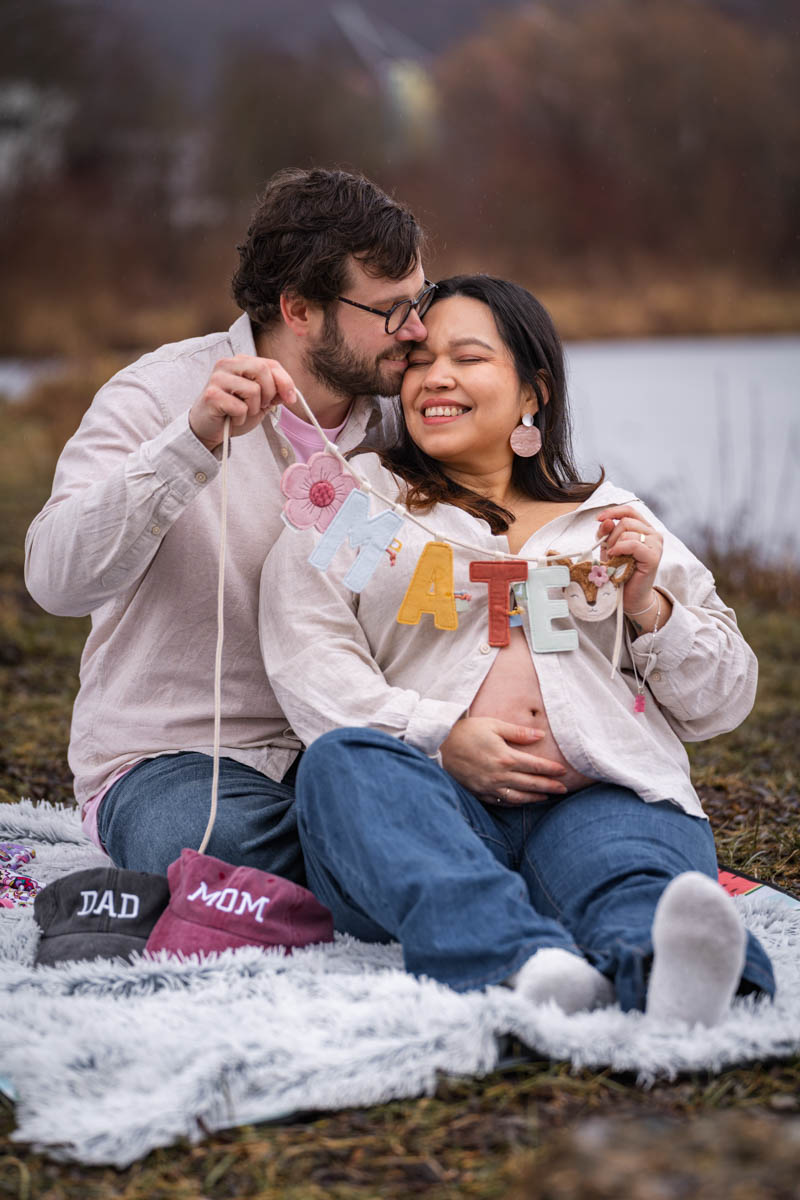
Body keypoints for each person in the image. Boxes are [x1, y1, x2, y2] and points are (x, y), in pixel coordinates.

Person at [259, 274, 775, 1023]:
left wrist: (649, 605)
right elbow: (313, 657)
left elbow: (722, 701)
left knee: (632, 878)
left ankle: (674, 973)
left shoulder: (605, 519)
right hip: (435, 810)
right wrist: (442, 740)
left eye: (467, 358)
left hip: (596, 794)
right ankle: (523, 962)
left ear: (532, 390)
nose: (435, 376)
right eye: (420, 359)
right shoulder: (369, 504)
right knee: (341, 765)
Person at [24, 166, 441, 880]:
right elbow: (56, 580)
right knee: (218, 850)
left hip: (352, 742)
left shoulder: (411, 426)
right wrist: (188, 445)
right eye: (393, 310)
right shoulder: (158, 395)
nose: (420, 329)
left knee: (492, 807)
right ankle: (391, 873)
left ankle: (373, 869)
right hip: (175, 759)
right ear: (301, 308)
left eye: (421, 300)